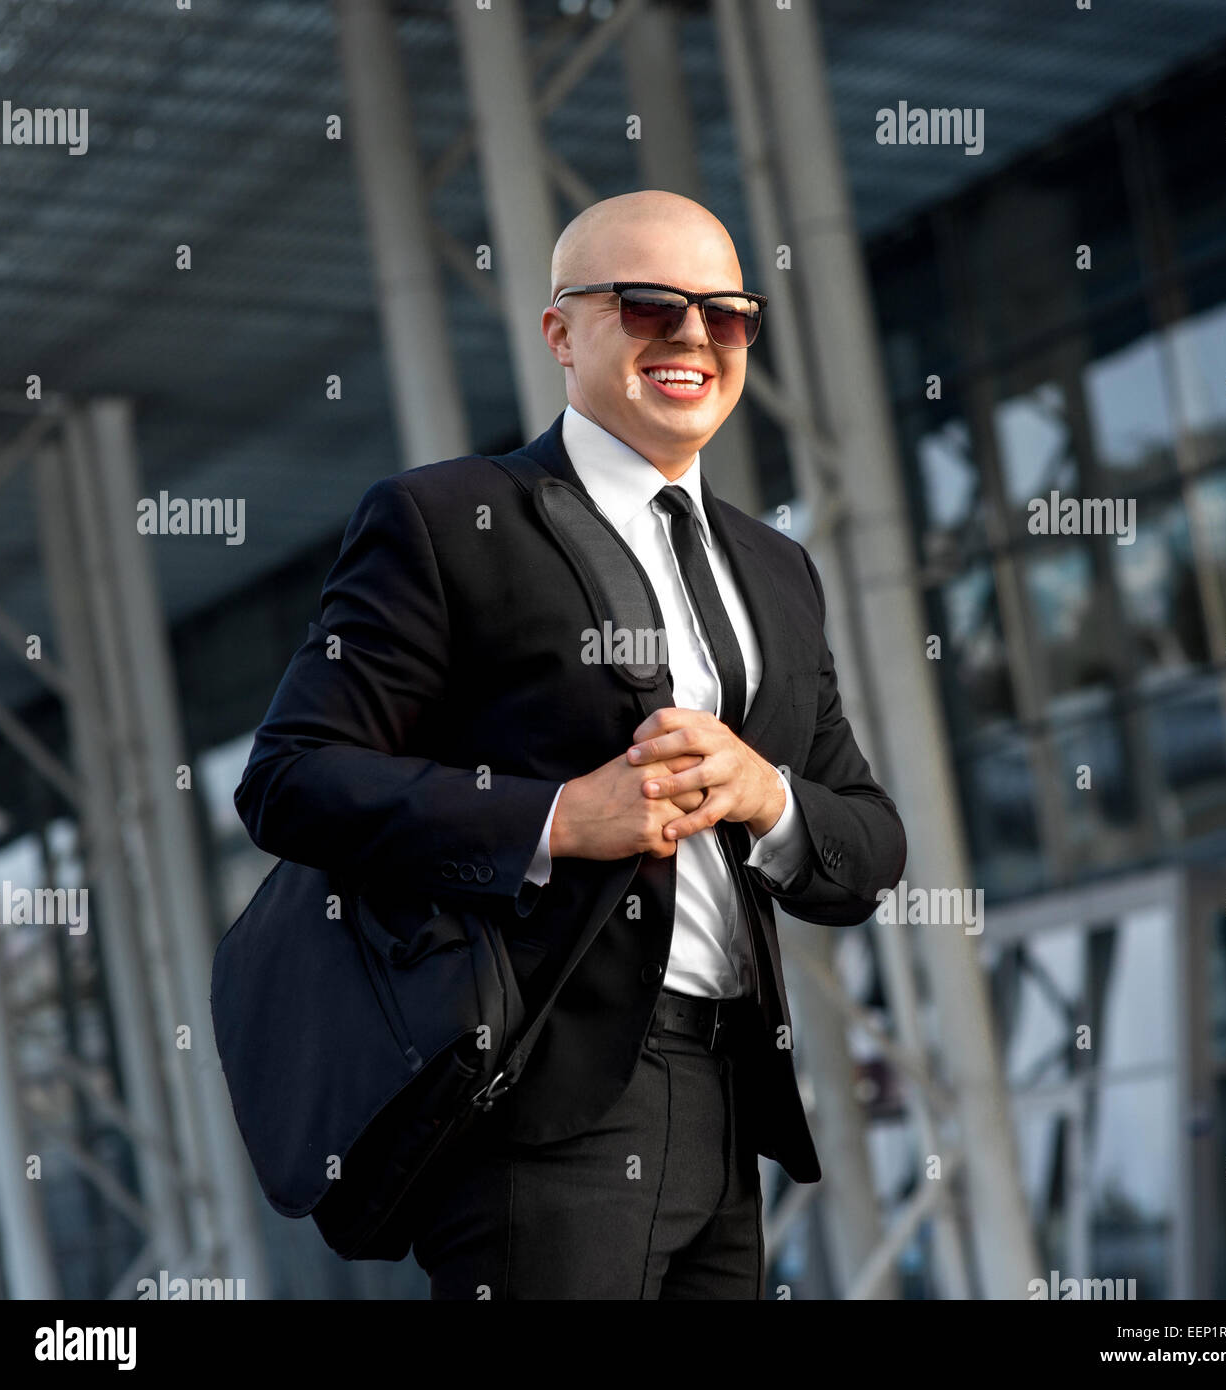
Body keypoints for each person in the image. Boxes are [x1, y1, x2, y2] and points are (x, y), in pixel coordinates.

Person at [234, 189, 906, 1299]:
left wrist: (764, 795)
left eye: (726, 313)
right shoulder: (443, 521)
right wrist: (555, 819)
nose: (691, 335)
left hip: (732, 1101)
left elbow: (868, 845)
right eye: (647, 305)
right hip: (540, 1105)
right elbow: (292, 777)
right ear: (559, 332)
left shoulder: (776, 569)